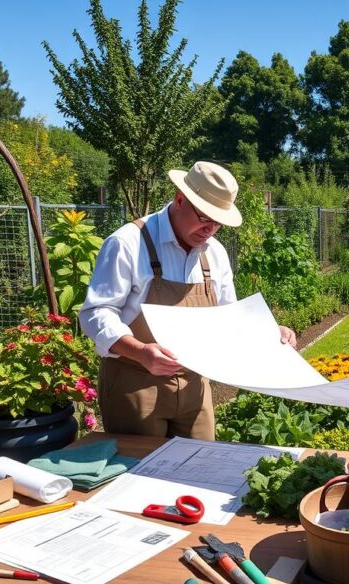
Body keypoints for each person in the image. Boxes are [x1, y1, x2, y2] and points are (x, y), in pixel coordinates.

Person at [80, 161, 297, 440]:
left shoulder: (214, 253)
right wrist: (141, 352)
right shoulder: (128, 243)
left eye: (218, 222)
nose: (210, 229)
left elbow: (229, 315)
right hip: (135, 384)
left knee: (201, 467)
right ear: (179, 198)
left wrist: (268, 333)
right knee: (141, 474)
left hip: (195, 384)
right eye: (205, 217)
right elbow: (97, 313)